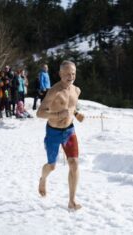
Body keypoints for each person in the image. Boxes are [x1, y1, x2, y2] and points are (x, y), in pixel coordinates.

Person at [37, 60, 84, 211]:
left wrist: (76, 114)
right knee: (51, 166)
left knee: (74, 163)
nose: (71, 77)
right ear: (60, 74)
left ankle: (72, 200)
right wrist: (57, 114)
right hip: (53, 132)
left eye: (73, 74)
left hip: (69, 131)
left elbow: (70, 106)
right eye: (67, 74)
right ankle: (43, 179)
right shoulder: (54, 91)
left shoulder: (76, 90)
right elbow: (40, 113)